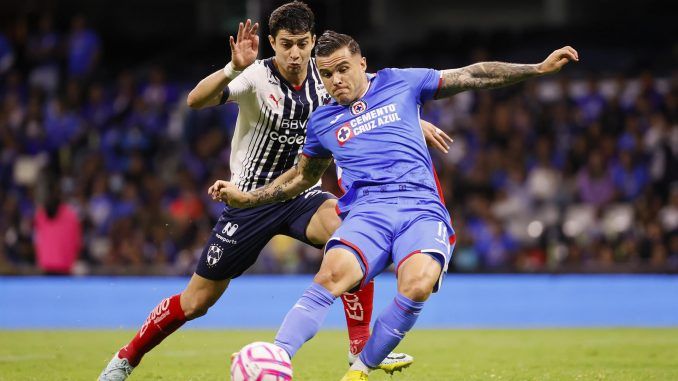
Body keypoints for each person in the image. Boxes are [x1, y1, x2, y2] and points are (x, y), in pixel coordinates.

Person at [98, 3, 451, 380]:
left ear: (313, 42)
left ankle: (358, 349)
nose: (295, 53)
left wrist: (415, 120)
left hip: (303, 196)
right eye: (286, 44)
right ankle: (126, 357)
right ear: (273, 43)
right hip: (249, 201)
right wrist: (233, 67)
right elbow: (195, 100)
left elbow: (379, 90)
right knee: (196, 301)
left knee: (352, 233)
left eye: (302, 44)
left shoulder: (328, 74)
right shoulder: (254, 76)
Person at [212, 31, 578, 380]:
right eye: (325, 74)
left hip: (420, 207)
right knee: (331, 274)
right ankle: (275, 356)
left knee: (417, 284)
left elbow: (470, 75)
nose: (335, 79)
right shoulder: (322, 121)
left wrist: (536, 68)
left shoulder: (401, 82)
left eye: (342, 69)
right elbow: (301, 178)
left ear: (362, 64)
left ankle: (360, 370)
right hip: (367, 211)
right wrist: (248, 198)